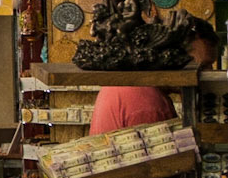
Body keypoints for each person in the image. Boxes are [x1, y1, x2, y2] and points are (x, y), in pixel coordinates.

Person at [87, 18, 220, 132]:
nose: (208, 72)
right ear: (171, 56)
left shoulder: (131, 83)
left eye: (210, 65)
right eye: (201, 66)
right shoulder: (151, 105)